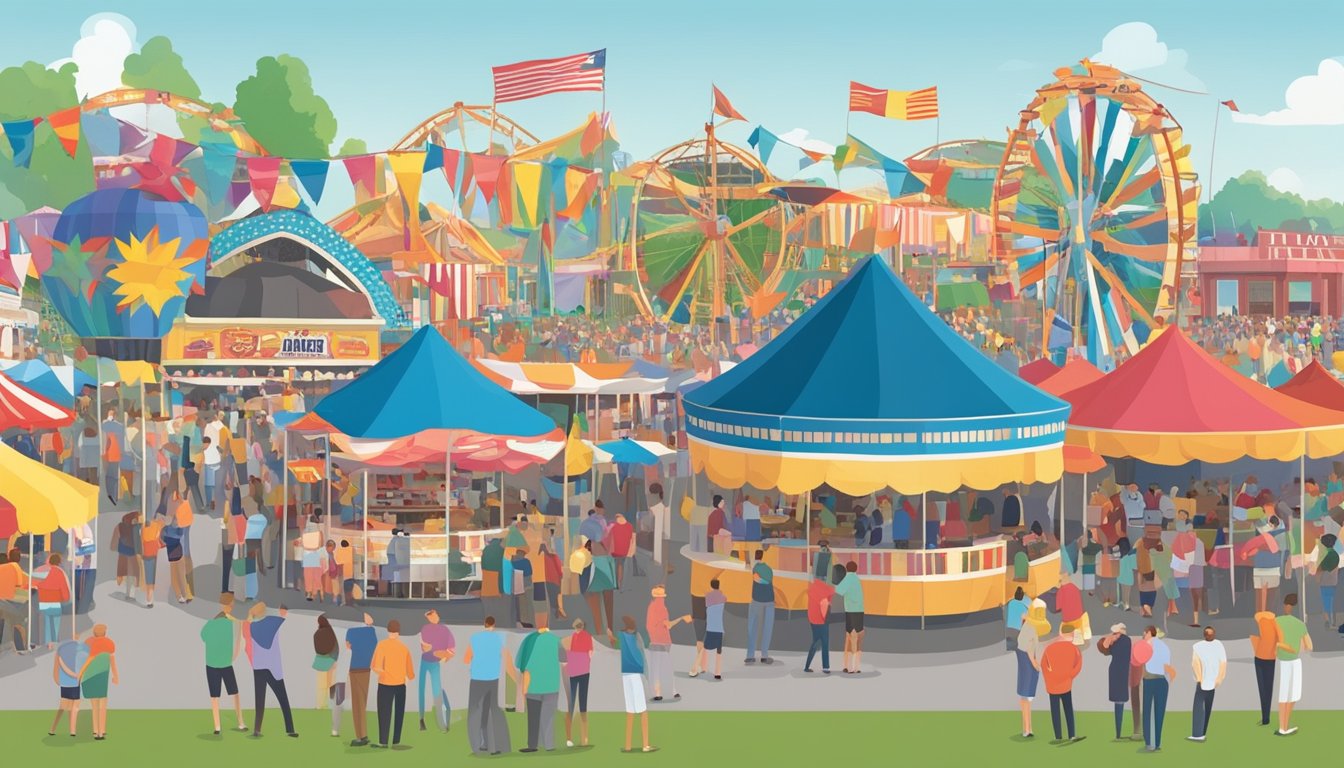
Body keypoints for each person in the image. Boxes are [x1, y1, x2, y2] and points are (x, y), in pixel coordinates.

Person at [463, 615, 512, 755]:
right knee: (489, 711)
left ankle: (478, 744)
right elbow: (506, 657)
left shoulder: (475, 638)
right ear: (494, 625)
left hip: (477, 679)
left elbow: (466, 659)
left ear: (484, 624)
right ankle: (491, 744)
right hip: (493, 680)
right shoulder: (499, 638)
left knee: (474, 712)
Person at [247, 602, 297, 738]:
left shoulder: (252, 627)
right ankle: (290, 729)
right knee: (283, 699)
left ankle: (257, 729)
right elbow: (283, 615)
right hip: (273, 667)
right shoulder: (273, 622)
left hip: (258, 667)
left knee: (259, 699)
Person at [201, 592, 247, 735]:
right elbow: (236, 641)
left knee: (215, 696)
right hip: (224, 663)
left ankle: (218, 727)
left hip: (213, 663)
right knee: (234, 693)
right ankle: (239, 722)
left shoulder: (211, 623)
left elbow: (203, 636)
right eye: (230, 604)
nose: (231, 607)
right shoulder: (230, 623)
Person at [519, 612, 563, 753]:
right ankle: (549, 744)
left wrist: (524, 687)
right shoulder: (556, 640)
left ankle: (533, 745)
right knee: (548, 716)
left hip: (534, 685)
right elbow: (564, 661)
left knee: (533, 717)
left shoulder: (530, 640)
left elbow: (524, 665)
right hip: (551, 684)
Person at [370, 619, 414, 749]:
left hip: (385, 684)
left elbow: (375, 666)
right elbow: (410, 673)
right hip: (401, 685)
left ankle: (383, 741)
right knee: (399, 713)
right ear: (399, 632)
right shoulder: (404, 648)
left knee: (384, 713)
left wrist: (384, 672)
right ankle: (396, 741)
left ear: (388, 630)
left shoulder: (382, 645)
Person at [1040, 625, 1084, 744]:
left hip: (1052, 685)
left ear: (1060, 632)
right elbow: (1078, 665)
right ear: (1072, 634)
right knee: (1068, 709)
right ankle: (1072, 735)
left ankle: (1058, 736)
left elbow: (1043, 665)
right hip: (1066, 684)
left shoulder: (1049, 648)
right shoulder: (1074, 648)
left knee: (1055, 710)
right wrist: (1069, 676)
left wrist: (1049, 680)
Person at [617, 615, 655, 753]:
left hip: (625, 675)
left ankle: (628, 745)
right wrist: (647, 675)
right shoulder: (637, 636)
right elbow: (643, 652)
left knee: (630, 711)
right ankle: (645, 745)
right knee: (643, 711)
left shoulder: (621, 636)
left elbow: (614, 642)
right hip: (636, 674)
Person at [1275, 593, 1311, 736]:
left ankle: (1283, 726)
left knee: (1284, 694)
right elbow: (1308, 646)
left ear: (1285, 605)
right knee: (1292, 695)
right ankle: (1284, 725)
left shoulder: (1277, 621)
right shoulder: (1300, 624)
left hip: (1282, 661)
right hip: (1294, 661)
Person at [1097, 622, 1140, 741]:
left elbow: (1104, 647)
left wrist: (1111, 637)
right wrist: (1113, 636)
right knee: (1120, 699)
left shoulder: (1115, 642)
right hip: (1123, 671)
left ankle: (1118, 733)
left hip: (1116, 670)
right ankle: (1119, 733)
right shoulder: (1126, 640)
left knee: (1118, 701)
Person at [645, 584, 688, 701]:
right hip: (664, 641)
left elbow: (648, 626)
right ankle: (672, 691)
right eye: (662, 597)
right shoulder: (662, 609)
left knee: (656, 668)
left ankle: (657, 693)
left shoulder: (650, 608)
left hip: (654, 641)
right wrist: (681, 618)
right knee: (667, 667)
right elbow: (668, 625)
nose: (663, 599)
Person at [1015, 599, 1050, 738]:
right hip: (1027, 660)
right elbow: (1029, 649)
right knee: (1026, 697)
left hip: (1026, 658)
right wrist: (1035, 663)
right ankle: (1027, 728)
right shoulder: (1029, 628)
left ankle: (1028, 728)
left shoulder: (1029, 626)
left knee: (1026, 697)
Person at [417, 608, 455, 732]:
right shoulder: (425, 629)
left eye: (435, 615)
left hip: (434, 663)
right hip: (425, 661)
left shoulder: (445, 630)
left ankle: (442, 724)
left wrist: (443, 657)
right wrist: (432, 648)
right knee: (422, 690)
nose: (435, 617)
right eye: (432, 616)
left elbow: (451, 650)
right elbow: (424, 648)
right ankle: (422, 719)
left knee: (436, 691)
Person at [345, 612, 379, 747]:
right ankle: (363, 734)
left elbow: (348, 646)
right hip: (366, 669)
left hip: (354, 668)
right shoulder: (372, 632)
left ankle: (360, 736)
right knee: (362, 702)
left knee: (357, 704)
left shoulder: (351, 631)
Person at [1188, 626, 1227, 742]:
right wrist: (1219, 679)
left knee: (1199, 707)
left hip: (1203, 681)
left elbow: (1195, 664)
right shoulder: (1219, 645)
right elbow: (1223, 663)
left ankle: (1197, 734)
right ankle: (1203, 731)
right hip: (1213, 682)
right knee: (1208, 707)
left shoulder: (1198, 647)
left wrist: (1199, 679)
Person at [1140, 625, 1175, 752]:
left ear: (1149, 632)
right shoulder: (1164, 646)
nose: (1143, 635)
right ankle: (1158, 742)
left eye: (1144, 633)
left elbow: (1139, 660)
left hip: (1149, 680)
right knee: (1159, 712)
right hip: (1162, 680)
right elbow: (1167, 665)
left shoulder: (1145, 645)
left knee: (1148, 711)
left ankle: (1149, 742)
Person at [79, 627, 116, 740]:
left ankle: (96, 732)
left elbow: (87, 661)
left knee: (95, 706)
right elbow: (112, 661)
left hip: (91, 677)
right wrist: (116, 676)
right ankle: (102, 730)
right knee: (103, 705)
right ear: (105, 633)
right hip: (102, 677)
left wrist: (80, 675)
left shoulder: (91, 643)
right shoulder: (109, 644)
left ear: (94, 633)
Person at [50, 631, 89, 737]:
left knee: (63, 707)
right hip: (74, 682)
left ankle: (53, 728)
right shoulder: (82, 649)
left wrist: (57, 679)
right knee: (74, 707)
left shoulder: (61, 649)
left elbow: (57, 665)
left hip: (65, 683)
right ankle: (72, 730)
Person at [563, 618, 594, 748]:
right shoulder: (588, 637)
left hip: (573, 671)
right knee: (583, 704)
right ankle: (584, 738)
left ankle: (569, 738)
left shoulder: (571, 638)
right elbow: (591, 653)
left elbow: (566, 652)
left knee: (571, 704)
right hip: (584, 671)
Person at [1251, 604, 1281, 727]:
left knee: (1262, 689)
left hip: (1260, 657)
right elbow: (1280, 640)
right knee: (1268, 688)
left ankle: (1265, 717)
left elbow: (1254, 637)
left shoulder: (1259, 619)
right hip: (1270, 658)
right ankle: (1266, 717)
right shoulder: (1275, 623)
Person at [746, 551, 776, 663]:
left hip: (757, 600)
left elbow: (757, 579)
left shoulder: (755, 568)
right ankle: (764, 655)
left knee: (752, 626)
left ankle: (750, 655)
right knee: (767, 627)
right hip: (769, 600)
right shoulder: (769, 569)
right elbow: (767, 581)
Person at [35, 554, 70, 649]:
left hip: (43, 600)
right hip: (55, 601)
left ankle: (48, 641)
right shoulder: (59, 572)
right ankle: (53, 641)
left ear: (49, 561)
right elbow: (64, 587)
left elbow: (34, 583)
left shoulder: (42, 570)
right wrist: (66, 597)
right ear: (59, 562)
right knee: (55, 620)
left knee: (47, 620)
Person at [312, 614, 340, 731]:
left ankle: (320, 704)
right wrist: (334, 660)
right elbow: (336, 647)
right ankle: (331, 704)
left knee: (321, 685)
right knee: (331, 683)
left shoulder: (316, 634)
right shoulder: (331, 632)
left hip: (320, 660)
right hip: (330, 660)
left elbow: (316, 648)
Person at [0, 547, 30, 654]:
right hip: (8, 601)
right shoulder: (14, 567)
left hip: (2, 602)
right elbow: (20, 584)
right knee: (18, 620)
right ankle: (20, 647)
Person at [803, 573, 834, 674]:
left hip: (812, 619)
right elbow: (828, 598)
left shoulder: (812, 588)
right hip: (822, 620)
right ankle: (826, 667)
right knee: (825, 643)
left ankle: (807, 666)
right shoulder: (826, 589)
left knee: (815, 642)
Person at [696, 578, 726, 680]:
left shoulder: (708, 597)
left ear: (711, 586)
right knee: (719, 651)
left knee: (705, 648)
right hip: (719, 628)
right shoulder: (722, 597)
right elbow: (724, 598)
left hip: (710, 627)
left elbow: (707, 604)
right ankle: (718, 673)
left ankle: (703, 667)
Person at [1310, 533, 1339, 628]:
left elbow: (1319, 570)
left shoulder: (1324, 554)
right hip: (1333, 582)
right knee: (1331, 602)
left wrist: (1316, 581)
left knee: (1325, 602)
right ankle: (1331, 621)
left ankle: (1328, 621)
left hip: (1324, 583)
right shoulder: (1335, 554)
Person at [608, 512, 635, 586]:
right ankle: (620, 583)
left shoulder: (613, 526)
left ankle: (615, 583)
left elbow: (610, 539)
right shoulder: (630, 526)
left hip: (615, 551)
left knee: (615, 565)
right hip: (624, 550)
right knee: (621, 565)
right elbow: (631, 539)